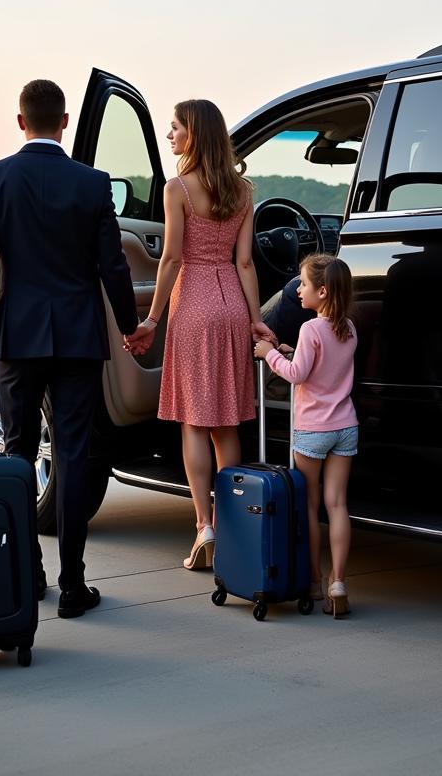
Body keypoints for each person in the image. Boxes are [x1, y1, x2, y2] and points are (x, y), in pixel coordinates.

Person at [0, 79, 145, 619]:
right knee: (72, 455)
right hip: (78, 337)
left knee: (18, 454)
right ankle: (73, 585)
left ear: (21, 122)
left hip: (18, 338)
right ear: (64, 123)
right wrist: (131, 327)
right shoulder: (91, 183)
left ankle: (28, 574)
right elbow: (112, 263)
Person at [125, 100, 275, 569]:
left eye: (174, 128)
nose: (169, 136)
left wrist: (151, 318)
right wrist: (255, 318)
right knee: (226, 421)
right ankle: (233, 525)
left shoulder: (177, 189)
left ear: (194, 135)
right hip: (231, 303)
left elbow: (170, 260)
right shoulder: (243, 190)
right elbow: (246, 262)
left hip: (192, 305)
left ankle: (202, 525)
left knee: (194, 419)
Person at [254, 253, 358, 617]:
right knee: (338, 505)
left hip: (313, 430)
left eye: (304, 284)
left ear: (324, 292)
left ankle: (314, 581)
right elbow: (320, 365)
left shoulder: (310, 329)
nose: (298, 290)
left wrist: (269, 353)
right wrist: (290, 352)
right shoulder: (348, 327)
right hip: (345, 427)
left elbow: (298, 374)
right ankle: (339, 582)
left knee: (310, 507)